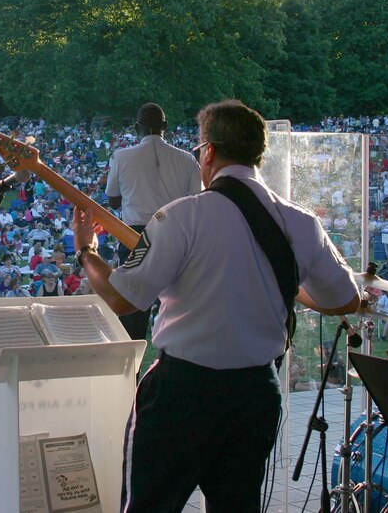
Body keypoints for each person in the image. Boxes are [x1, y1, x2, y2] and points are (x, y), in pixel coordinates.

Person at [73, 99, 360, 512]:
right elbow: (344, 299)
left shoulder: (181, 216)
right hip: (255, 393)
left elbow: (121, 297)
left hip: (182, 392)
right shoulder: (300, 222)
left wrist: (86, 250)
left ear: (207, 152)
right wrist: (282, 282)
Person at [105, 102, 202, 342]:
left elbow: (113, 200)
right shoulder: (187, 160)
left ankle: (130, 374)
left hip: (135, 238)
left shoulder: (122, 156)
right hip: (175, 236)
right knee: (178, 307)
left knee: (132, 312)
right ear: (165, 127)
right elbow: (197, 202)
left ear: (136, 126)